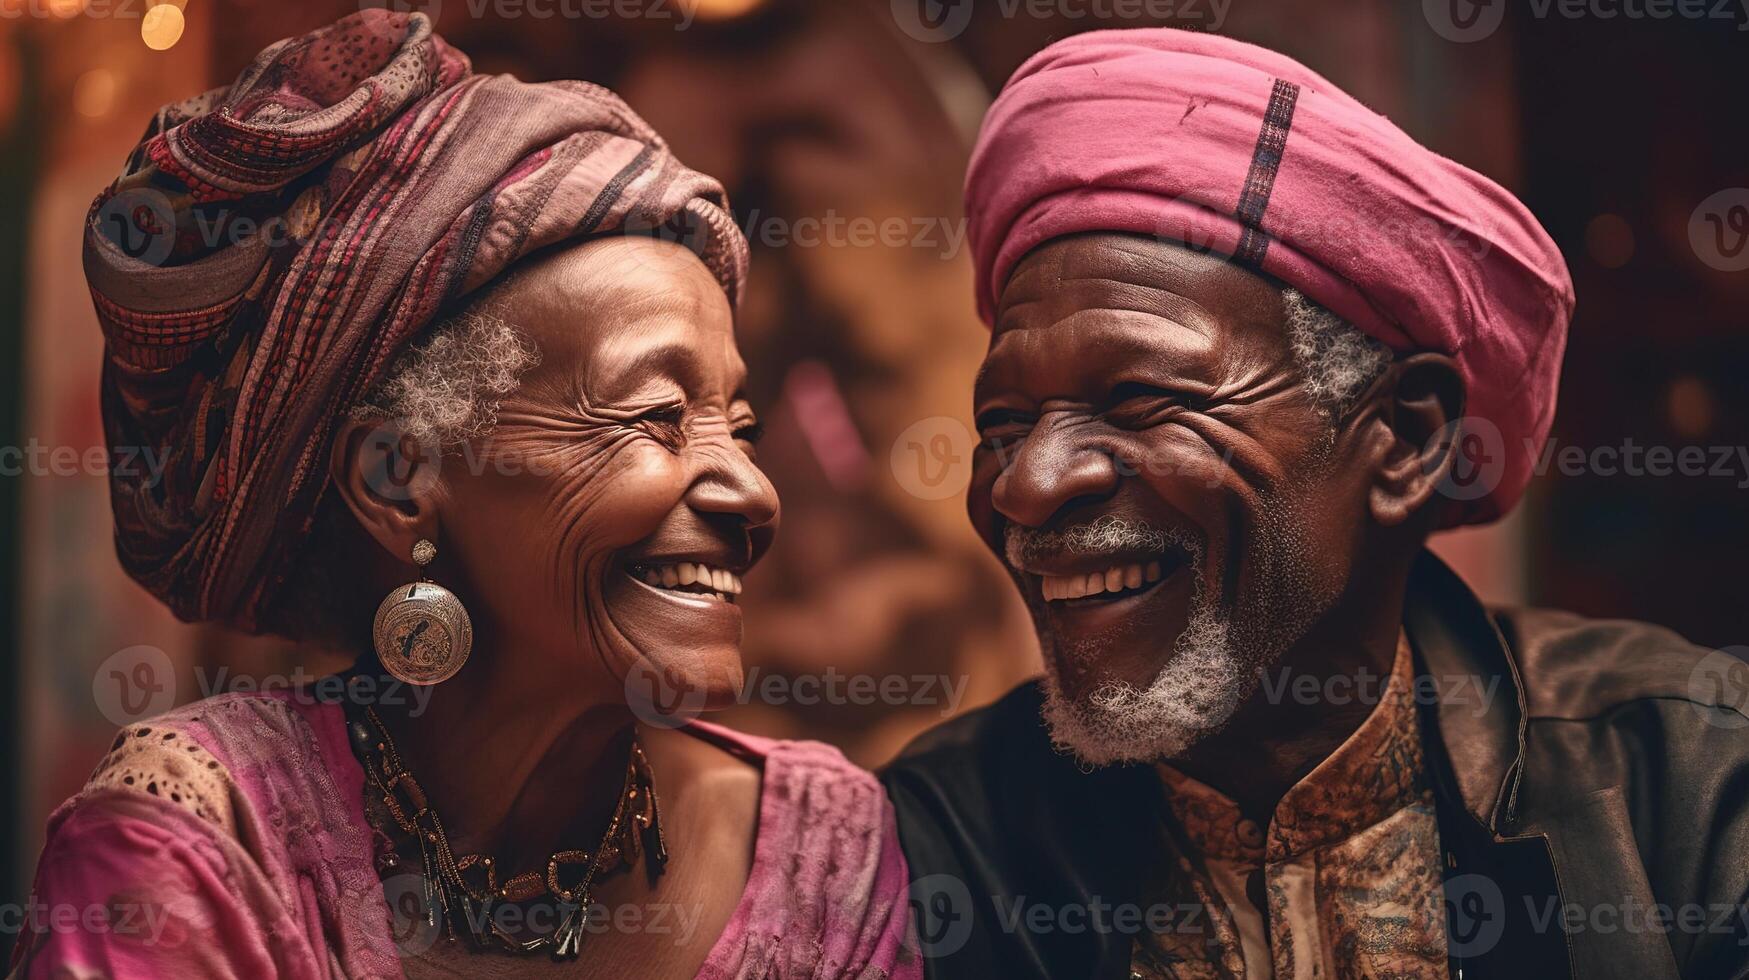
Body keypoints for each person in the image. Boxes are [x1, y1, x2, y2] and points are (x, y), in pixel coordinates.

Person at [12, 12, 915, 979]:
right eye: (654, 416)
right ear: (398, 481)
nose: (752, 491)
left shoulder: (829, 860)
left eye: (740, 428)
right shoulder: (206, 848)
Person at [880, 27, 1749, 980]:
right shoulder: (941, 834)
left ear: (1405, 441)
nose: (1028, 483)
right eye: (1003, 421)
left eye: (1141, 399)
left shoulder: (1686, 777)